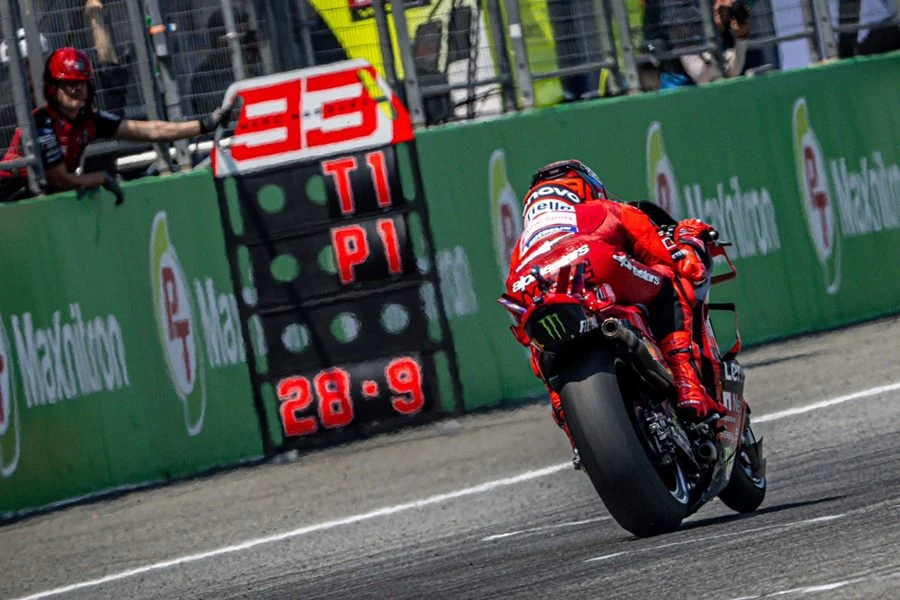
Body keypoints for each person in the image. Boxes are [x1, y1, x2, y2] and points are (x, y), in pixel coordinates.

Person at [503, 159, 725, 448]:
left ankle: (576, 435)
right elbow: (662, 256)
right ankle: (687, 383)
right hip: (595, 262)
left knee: (542, 349)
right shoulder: (604, 209)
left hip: (525, 285)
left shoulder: (521, 245)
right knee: (670, 282)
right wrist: (687, 241)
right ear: (586, 189)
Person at [0, 47, 230, 202]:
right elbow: (61, 181)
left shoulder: (89, 119)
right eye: (68, 83)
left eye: (81, 83)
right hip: (10, 198)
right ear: (53, 88)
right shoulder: (42, 123)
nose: (76, 89)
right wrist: (100, 178)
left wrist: (204, 125)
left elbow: (149, 130)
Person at [644, 0, 751, 89]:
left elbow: (734, 71)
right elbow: (702, 77)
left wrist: (742, 36)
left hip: (707, 86)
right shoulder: (678, 16)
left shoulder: (724, 31)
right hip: (678, 88)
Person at [189, 7, 261, 118]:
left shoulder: (253, 65)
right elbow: (211, 114)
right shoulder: (203, 77)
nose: (243, 43)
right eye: (240, 36)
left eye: (244, 37)